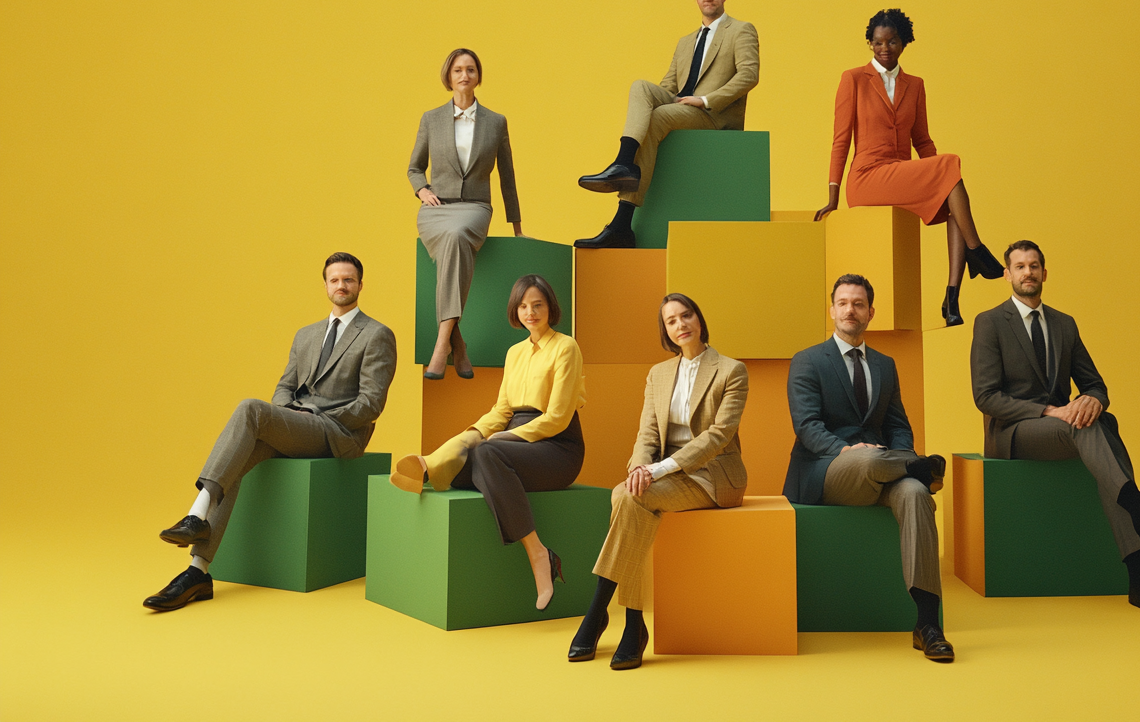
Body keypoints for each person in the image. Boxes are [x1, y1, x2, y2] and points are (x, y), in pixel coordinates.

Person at [145, 253, 397, 611]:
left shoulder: (377, 334)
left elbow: (371, 403)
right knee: (242, 456)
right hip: (297, 425)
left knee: (250, 407)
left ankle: (196, 515)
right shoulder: (306, 335)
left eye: (349, 280)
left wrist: (312, 413)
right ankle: (197, 571)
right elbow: (285, 386)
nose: (341, 285)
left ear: (360, 284)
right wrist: (287, 413)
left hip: (336, 432)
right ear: (325, 285)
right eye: (334, 280)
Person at [970, 240, 1140, 611]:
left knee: (1101, 418)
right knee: (1082, 425)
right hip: (1014, 433)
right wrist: (1049, 411)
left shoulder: (1063, 324)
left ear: (1044, 273)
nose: (1028, 272)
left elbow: (1095, 384)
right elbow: (986, 397)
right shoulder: (990, 322)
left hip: (1061, 430)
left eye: (1034, 265)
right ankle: (1137, 512)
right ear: (1007, 274)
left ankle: (1139, 572)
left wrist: (1092, 400)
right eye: (1020, 266)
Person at [567, 294, 748, 670]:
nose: (681, 324)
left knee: (628, 499)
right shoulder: (658, 374)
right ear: (665, 330)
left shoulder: (731, 370)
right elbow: (646, 432)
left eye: (687, 315)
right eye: (671, 321)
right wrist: (638, 468)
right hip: (659, 473)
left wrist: (660, 469)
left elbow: (719, 435)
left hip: (712, 475)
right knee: (627, 496)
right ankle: (632, 623)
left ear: (699, 319)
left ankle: (599, 610)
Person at [784, 274, 954, 662]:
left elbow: (896, 424)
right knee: (869, 457)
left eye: (858, 304)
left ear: (870, 312)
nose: (850, 310)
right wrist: (849, 450)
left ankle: (927, 624)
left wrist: (901, 451)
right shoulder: (808, 360)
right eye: (843, 302)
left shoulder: (885, 365)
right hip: (826, 470)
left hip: (881, 471)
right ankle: (916, 467)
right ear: (832, 310)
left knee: (914, 494)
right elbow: (807, 427)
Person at [389, 274, 583, 611]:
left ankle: (538, 554)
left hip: (557, 446)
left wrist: (499, 438)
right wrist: (475, 434)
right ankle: (435, 464)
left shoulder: (566, 346)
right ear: (515, 310)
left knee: (487, 452)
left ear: (550, 307)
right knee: (474, 453)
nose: (530, 312)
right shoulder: (515, 352)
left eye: (537, 305)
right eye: (523, 306)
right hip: (511, 443)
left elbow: (558, 417)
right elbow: (503, 410)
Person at [815, 8, 1002, 328]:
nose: (884, 48)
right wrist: (833, 195)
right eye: (877, 43)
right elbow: (840, 140)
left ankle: (951, 297)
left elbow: (923, 141)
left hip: (900, 173)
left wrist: (944, 177)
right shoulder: (854, 79)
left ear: (904, 43)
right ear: (870, 44)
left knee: (953, 193)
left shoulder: (915, 85)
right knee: (949, 169)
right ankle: (976, 249)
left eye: (892, 42)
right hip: (868, 177)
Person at [574, 0, 760, 249]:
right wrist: (668, 100)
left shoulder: (741, 30)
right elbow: (669, 85)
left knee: (658, 116)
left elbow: (749, 75)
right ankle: (624, 163)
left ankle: (622, 222)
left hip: (714, 115)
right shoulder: (685, 42)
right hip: (682, 108)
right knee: (640, 86)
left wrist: (705, 100)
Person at [408, 48, 524, 380]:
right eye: (457, 70)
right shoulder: (430, 119)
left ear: (478, 76)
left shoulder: (496, 122)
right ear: (448, 76)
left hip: (474, 208)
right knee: (451, 247)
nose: (464, 75)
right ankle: (457, 345)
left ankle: (440, 345)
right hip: (436, 209)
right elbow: (414, 167)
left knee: (457, 237)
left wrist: (517, 226)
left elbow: (507, 176)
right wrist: (422, 190)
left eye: (470, 69)